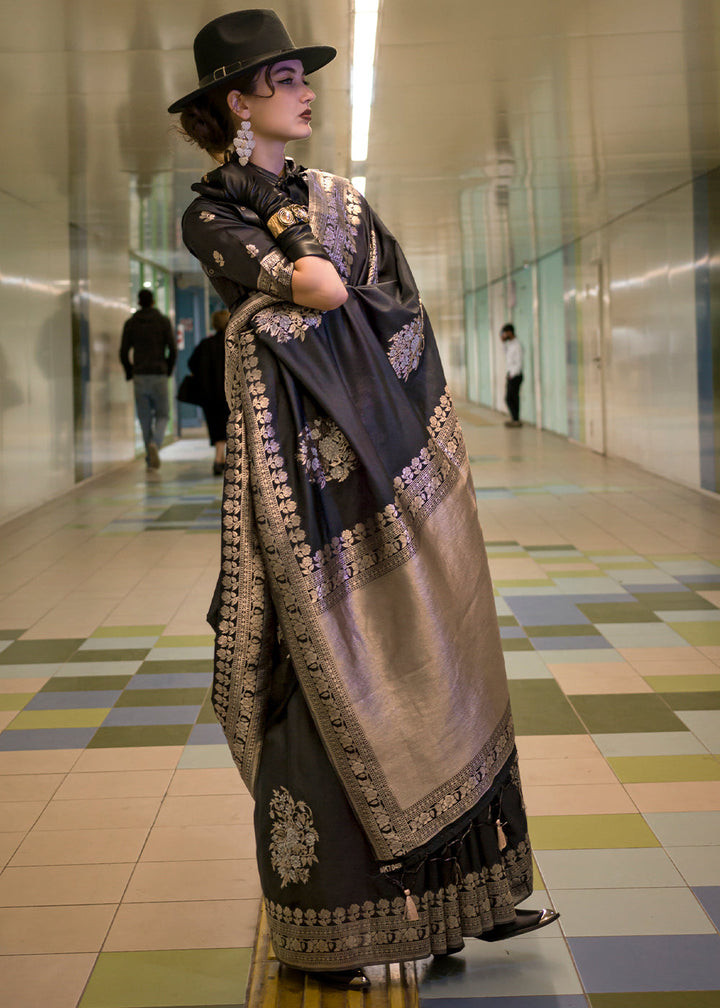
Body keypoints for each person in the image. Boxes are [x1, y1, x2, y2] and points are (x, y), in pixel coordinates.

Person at [169, 9, 557, 989]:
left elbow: (390, 307)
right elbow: (309, 290)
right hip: (300, 504)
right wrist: (297, 274)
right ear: (236, 101)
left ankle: (456, 905)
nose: (308, 92)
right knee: (316, 692)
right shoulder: (210, 211)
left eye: (305, 75)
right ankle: (337, 929)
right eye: (288, 77)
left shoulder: (338, 200)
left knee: (432, 661)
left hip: (388, 468)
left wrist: (302, 281)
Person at [120, 289, 177, 468]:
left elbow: (123, 351)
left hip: (140, 375)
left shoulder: (131, 323)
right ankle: (155, 444)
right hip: (158, 373)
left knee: (145, 419)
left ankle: (149, 456)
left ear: (138, 302)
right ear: (152, 302)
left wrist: (130, 371)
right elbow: (172, 349)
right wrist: (167, 369)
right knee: (162, 415)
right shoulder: (163, 322)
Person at [188, 308, 231, 475]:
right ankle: (224, 459)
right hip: (230, 395)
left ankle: (218, 458)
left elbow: (192, 364)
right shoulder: (235, 344)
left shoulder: (206, 345)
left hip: (210, 396)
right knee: (230, 427)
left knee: (216, 428)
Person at [500, 322, 523, 427]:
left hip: (515, 375)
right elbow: (506, 355)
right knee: (511, 398)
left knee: (510, 398)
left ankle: (516, 420)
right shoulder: (510, 344)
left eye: (505, 333)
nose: (504, 335)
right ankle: (515, 419)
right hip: (511, 374)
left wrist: (512, 375)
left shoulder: (517, 345)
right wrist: (503, 342)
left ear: (510, 332)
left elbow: (519, 362)